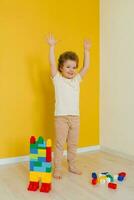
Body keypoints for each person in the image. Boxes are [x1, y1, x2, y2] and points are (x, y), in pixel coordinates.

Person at [46, 33, 91, 179]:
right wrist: (52, 47)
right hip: (61, 118)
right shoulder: (57, 79)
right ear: (61, 67)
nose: (72, 70)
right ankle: (57, 168)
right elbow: (52, 64)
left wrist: (86, 51)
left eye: (74, 67)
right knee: (59, 144)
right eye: (68, 67)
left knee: (73, 144)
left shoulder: (77, 80)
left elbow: (86, 66)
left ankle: (72, 166)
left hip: (75, 118)